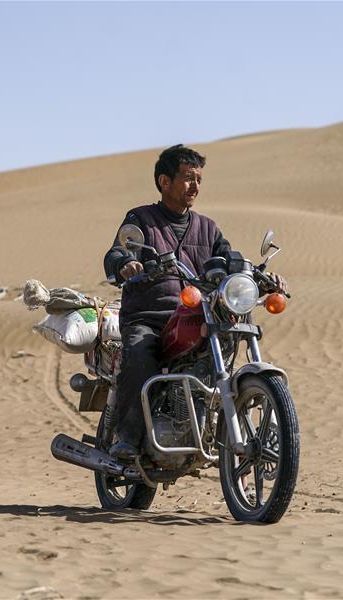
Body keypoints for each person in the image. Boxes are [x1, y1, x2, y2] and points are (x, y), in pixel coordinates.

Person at [103, 144, 236, 459]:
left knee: (227, 343)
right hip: (149, 317)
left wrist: (258, 276)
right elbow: (118, 251)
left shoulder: (208, 228)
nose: (195, 186)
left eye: (199, 179)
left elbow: (229, 258)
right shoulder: (141, 219)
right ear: (165, 181)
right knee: (140, 355)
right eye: (188, 178)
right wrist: (125, 263)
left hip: (196, 316)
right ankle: (127, 436)